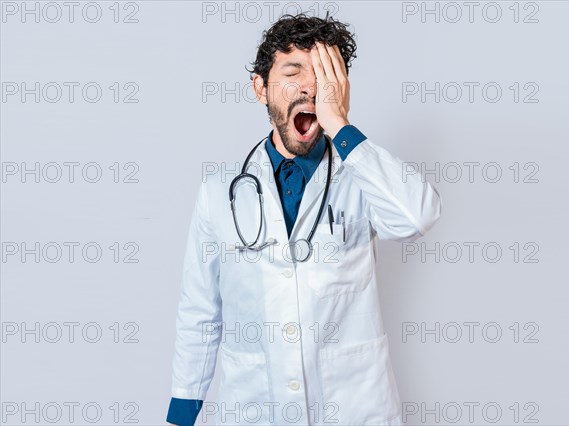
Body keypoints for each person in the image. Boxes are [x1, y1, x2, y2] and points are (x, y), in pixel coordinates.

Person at [166, 13, 442, 426]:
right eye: (293, 72)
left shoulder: (362, 173)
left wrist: (340, 125)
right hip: (256, 406)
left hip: (352, 407)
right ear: (261, 88)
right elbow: (200, 312)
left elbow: (416, 218)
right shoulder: (218, 191)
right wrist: (182, 415)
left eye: (323, 76)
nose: (310, 87)